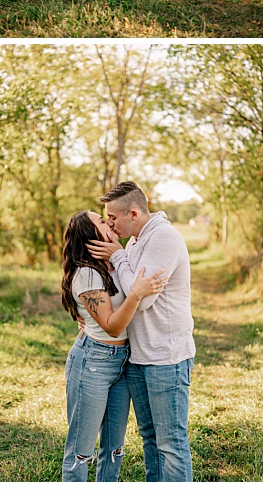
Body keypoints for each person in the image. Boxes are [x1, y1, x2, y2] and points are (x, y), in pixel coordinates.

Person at [89, 181, 195, 482]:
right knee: (150, 439)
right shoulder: (135, 242)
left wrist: (118, 257)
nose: (109, 224)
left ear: (133, 213)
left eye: (112, 218)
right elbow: (126, 292)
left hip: (166, 357)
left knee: (170, 445)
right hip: (138, 356)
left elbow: (143, 299)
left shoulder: (164, 238)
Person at [60, 210, 167, 481]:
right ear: (90, 235)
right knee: (80, 452)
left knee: (115, 448)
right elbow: (113, 325)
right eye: (101, 220)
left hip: (122, 362)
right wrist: (137, 293)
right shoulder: (86, 274)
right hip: (92, 363)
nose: (109, 222)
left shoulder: (114, 264)